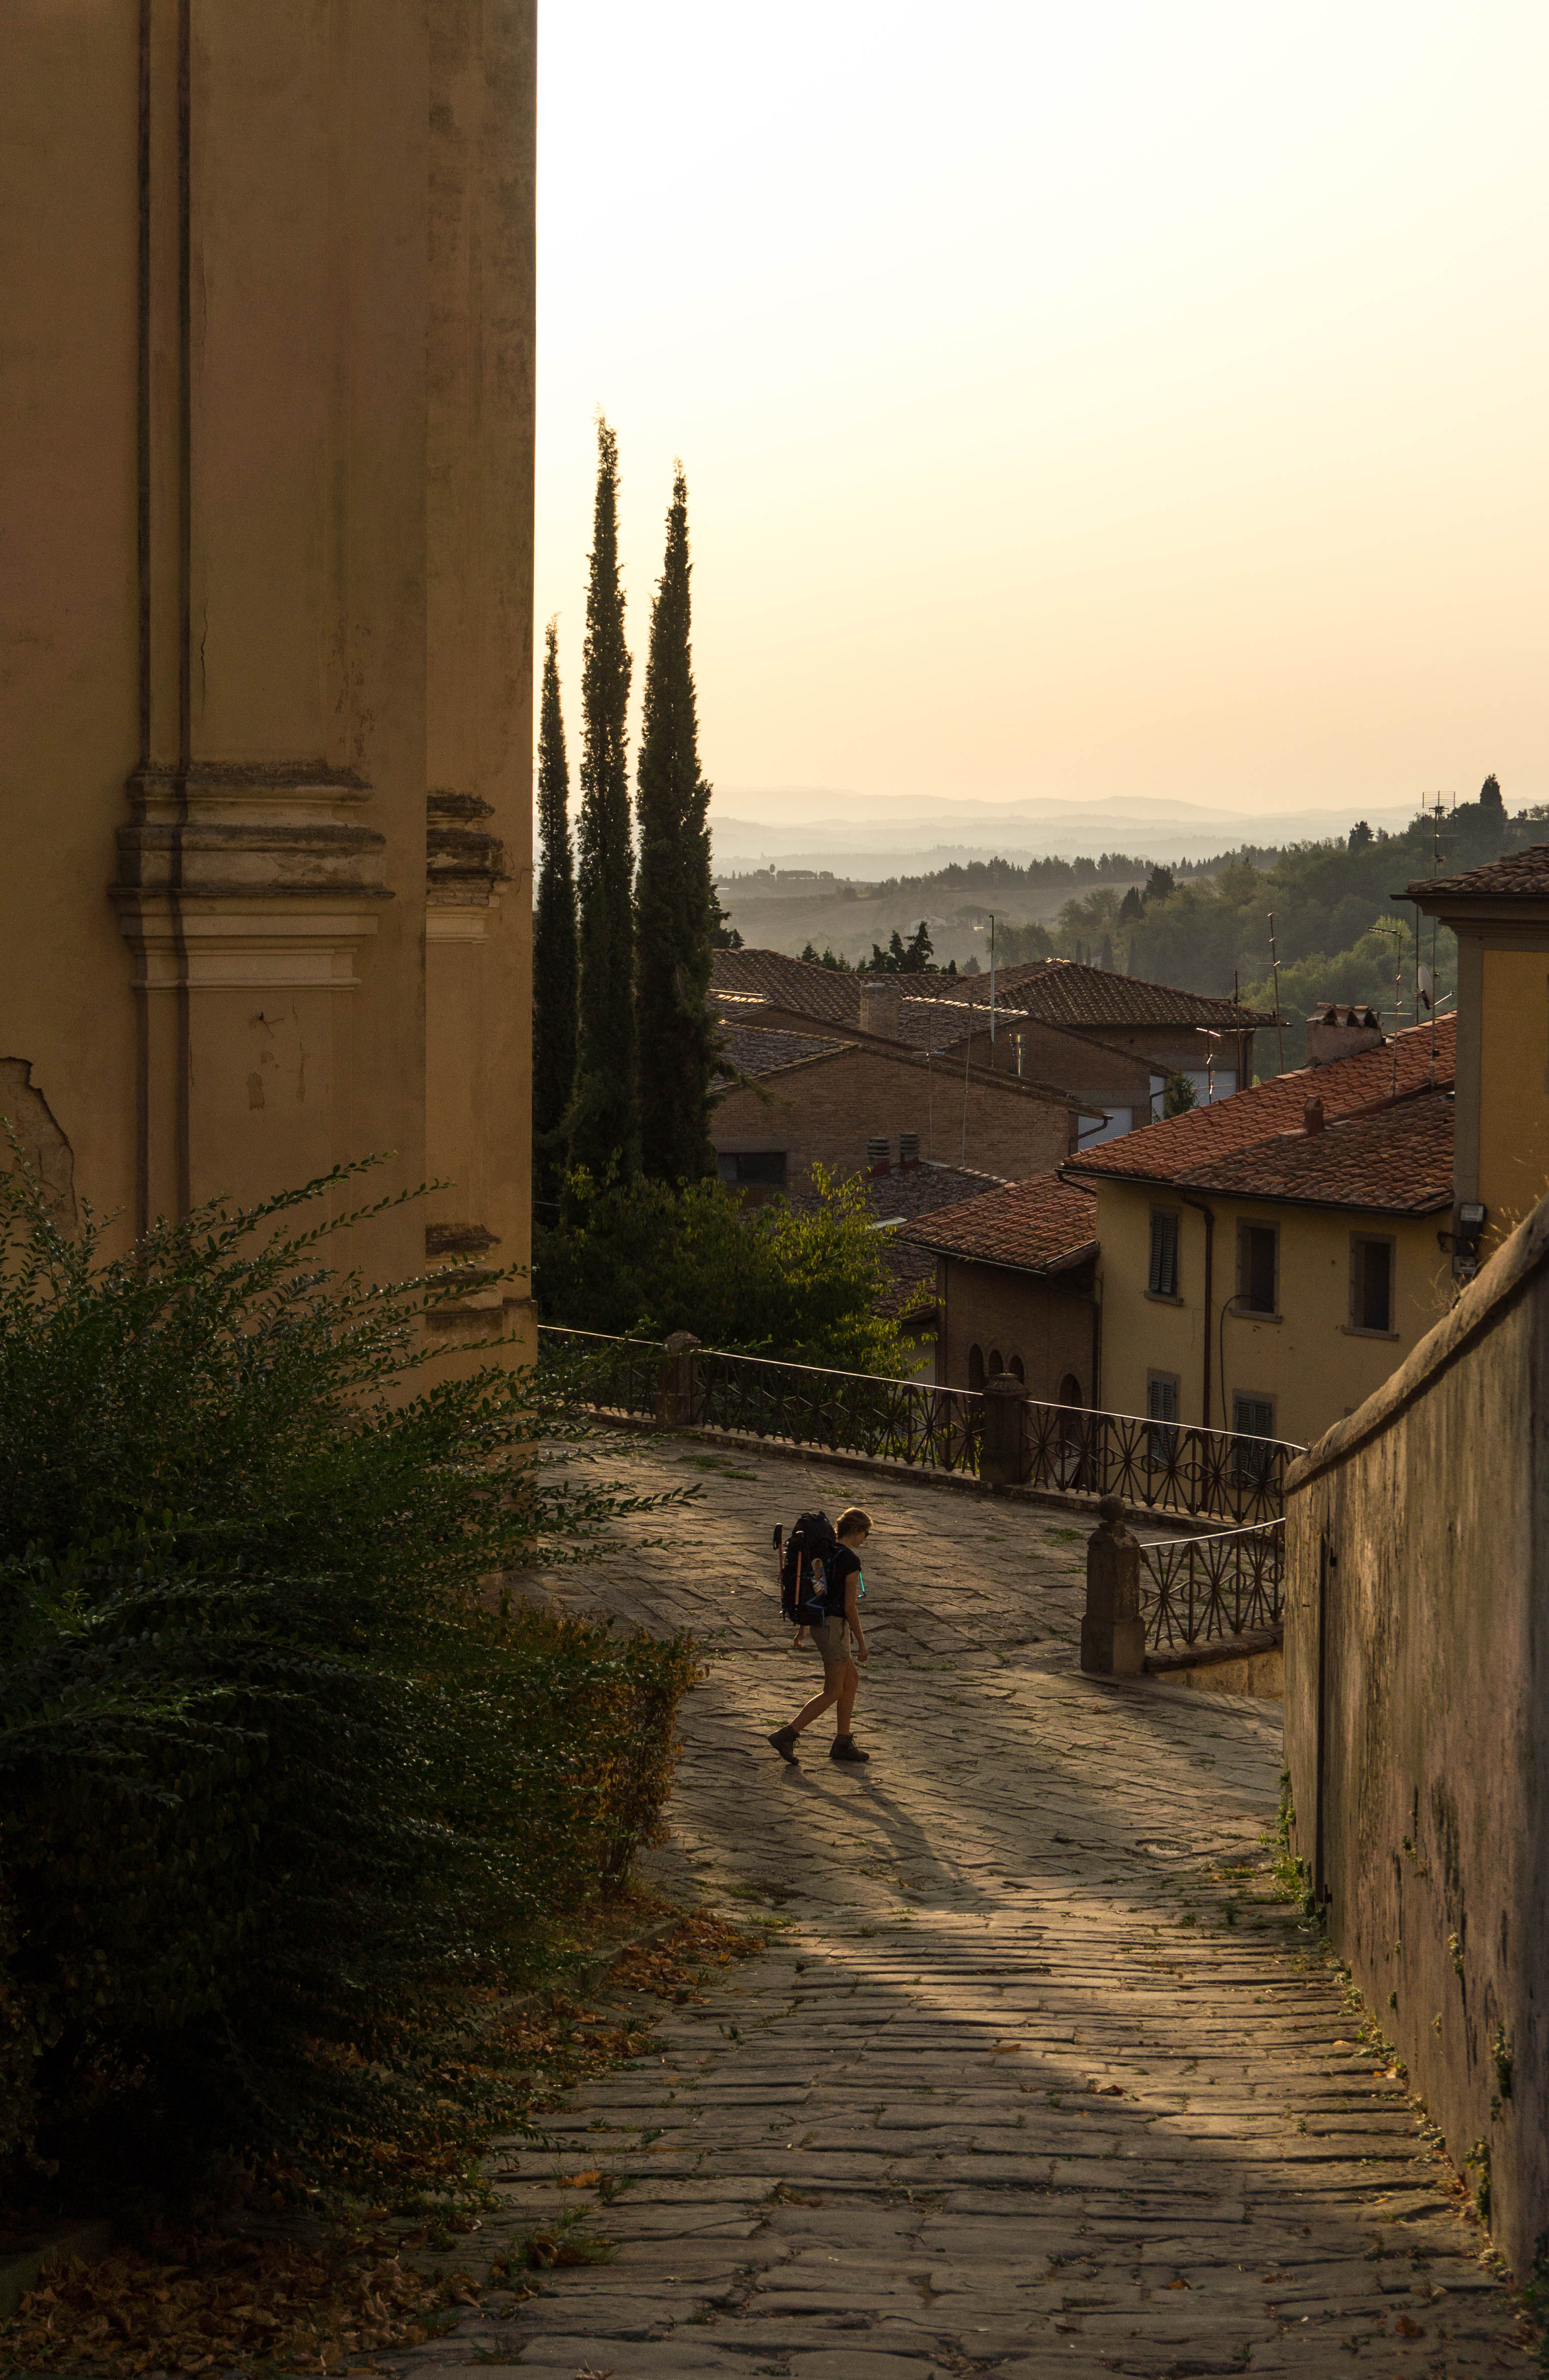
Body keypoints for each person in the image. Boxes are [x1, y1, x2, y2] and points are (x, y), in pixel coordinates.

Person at [767, 1506, 873, 1765]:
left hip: (820, 1625)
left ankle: (843, 1741)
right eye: (866, 1534)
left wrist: (803, 1628)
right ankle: (787, 1734)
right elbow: (849, 1607)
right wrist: (861, 1642)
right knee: (834, 1690)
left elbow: (812, 1591)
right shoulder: (849, 1560)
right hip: (834, 1628)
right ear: (857, 1530)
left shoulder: (825, 1553)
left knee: (851, 1680)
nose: (866, 1540)